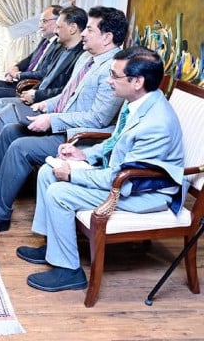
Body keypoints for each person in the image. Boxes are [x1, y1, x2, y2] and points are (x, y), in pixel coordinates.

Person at [18, 46, 184, 292]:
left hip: (144, 192)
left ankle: (69, 271)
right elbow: (115, 140)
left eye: (114, 75)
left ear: (137, 81)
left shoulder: (156, 124)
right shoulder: (138, 102)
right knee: (46, 172)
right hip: (122, 177)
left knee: (59, 192)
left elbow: (123, 179)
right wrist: (84, 153)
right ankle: (54, 245)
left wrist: (74, 173)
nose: (108, 80)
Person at [0, 6, 128, 232]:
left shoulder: (113, 71)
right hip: (62, 125)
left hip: (79, 138)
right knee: (11, 130)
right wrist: (46, 105)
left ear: (107, 37)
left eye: (89, 29)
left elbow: (98, 119)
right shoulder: (87, 58)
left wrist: (52, 120)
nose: (84, 34)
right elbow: (67, 93)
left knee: (21, 147)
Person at [0, 5, 88, 157]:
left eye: (59, 26)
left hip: (50, 106)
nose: (56, 31)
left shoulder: (81, 56)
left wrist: (36, 95)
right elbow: (47, 76)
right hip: (39, 96)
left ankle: (1, 160)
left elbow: (66, 91)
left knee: (2, 114)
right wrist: (32, 90)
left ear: (72, 28)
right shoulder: (62, 48)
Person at [0, 5, 61, 162]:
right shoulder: (46, 41)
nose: (40, 25)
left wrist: (19, 74)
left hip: (30, 87)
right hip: (22, 81)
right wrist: (16, 67)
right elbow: (31, 59)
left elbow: (44, 73)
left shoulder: (59, 45)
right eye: (40, 21)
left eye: (44, 21)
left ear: (59, 22)